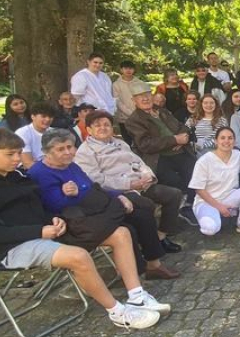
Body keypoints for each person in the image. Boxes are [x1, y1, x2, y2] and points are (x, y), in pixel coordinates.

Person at [0, 128, 169, 330]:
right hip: (15, 246)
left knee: (121, 233)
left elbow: (40, 208)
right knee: (78, 257)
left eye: (18, 153)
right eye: (10, 154)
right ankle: (117, 313)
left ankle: (137, 297)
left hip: (48, 233)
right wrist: (39, 231)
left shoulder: (18, 178)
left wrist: (54, 220)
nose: (17, 158)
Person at [28, 129, 180, 280]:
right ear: (46, 152)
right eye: (60, 149)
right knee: (127, 227)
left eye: (70, 147)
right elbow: (55, 207)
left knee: (142, 214)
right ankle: (134, 274)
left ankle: (153, 265)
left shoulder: (70, 166)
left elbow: (93, 187)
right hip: (72, 222)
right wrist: (71, 195)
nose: (68, 152)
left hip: (93, 210)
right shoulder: (40, 173)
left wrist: (118, 195)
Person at [75, 110, 186, 252]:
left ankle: (161, 236)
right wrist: (129, 184)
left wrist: (148, 176)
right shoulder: (85, 152)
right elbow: (97, 180)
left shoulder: (119, 143)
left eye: (106, 125)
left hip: (140, 185)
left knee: (173, 194)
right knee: (147, 205)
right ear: (89, 130)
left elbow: (138, 162)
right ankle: (149, 247)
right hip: (117, 192)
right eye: (97, 125)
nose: (103, 128)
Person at [123, 81, 198, 224]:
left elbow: (181, 126)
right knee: (174, 180)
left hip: (180, 151)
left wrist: (184, 137)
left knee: (196, 171)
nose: (144, 99)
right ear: (134, 101)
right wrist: (174, 140)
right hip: (158, 158)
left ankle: (194, 205)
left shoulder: (162, 110)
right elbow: (145, 144)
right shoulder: (133, 121)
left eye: (146, 94)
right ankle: (183, 209)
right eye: (139, 97)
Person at [188, 126, 240, 236]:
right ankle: (212, 216)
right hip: (207, 202)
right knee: (210, 229)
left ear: (234, 141)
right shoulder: (204, 160)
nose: (226, 141)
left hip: (228, 197)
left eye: (230, 138)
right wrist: (219, 207)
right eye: (222, 138)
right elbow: (199, 189)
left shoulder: (236, 155)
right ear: (216, 141)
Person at [16, 103, 56, 169]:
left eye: (50, 117)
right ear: (33, 116)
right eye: (43, 116)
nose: (48, 119)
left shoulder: (55, 132)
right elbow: (27, 163)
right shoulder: (23, 133)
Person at [112, 61, 141, 133]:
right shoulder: (116, 85)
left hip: (139, 117)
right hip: (123, 118)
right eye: (125, 68)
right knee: (127, 140)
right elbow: (117, 101)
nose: (128, 70)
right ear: (121, 70)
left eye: (131, 68)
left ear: (134, 70)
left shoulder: (140, 83)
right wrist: (130, 113)